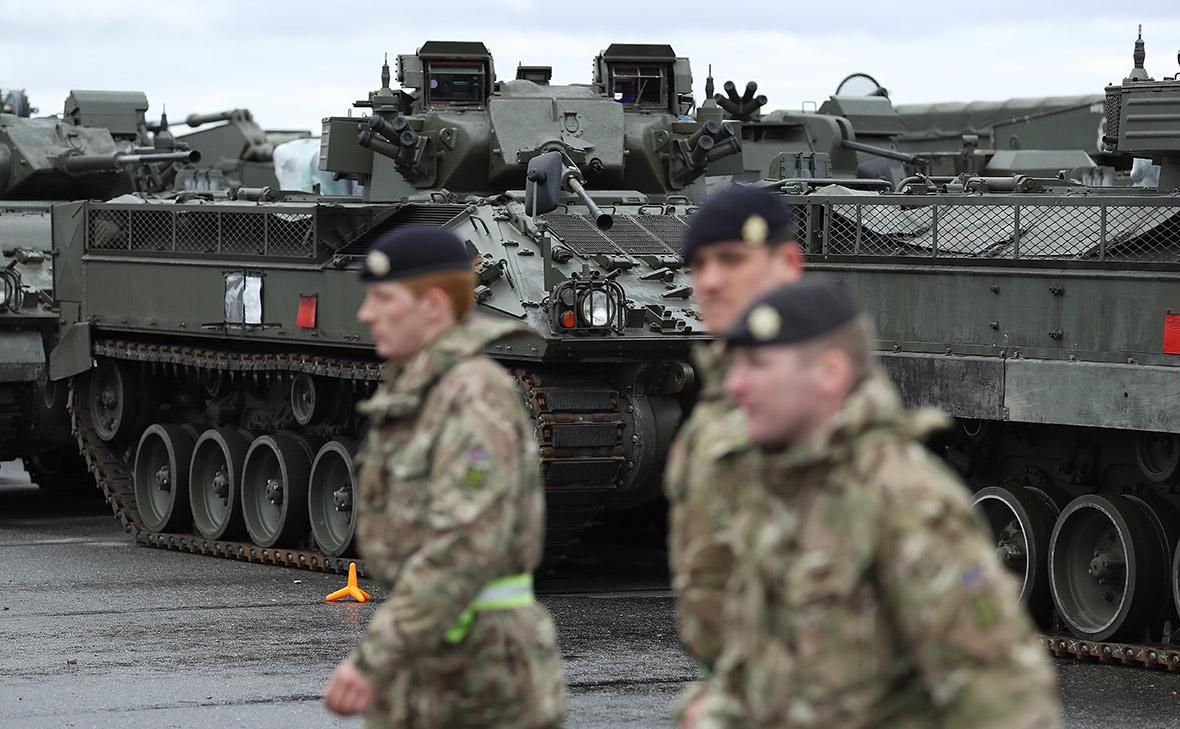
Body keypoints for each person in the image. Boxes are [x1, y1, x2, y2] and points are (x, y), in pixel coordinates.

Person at [684, 280, 1060, 729]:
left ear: (829, 373)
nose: (736, 384)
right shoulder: (773, 491)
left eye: (759, 366)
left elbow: (1010, 699)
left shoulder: (906, 502)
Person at [322, 227, 567, 729]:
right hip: (436, 658)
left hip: (483, 676)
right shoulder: (424, 394)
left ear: (433, 306)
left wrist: (376, 655)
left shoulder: (473, 400)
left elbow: (463, 545)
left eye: (384, 299)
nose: (366, 314)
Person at [663, 185, 803, 714]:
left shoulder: (831, 420)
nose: (711, 281)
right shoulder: (720, 408)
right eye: (699, 265)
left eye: (732, 260)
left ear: (788, 265)